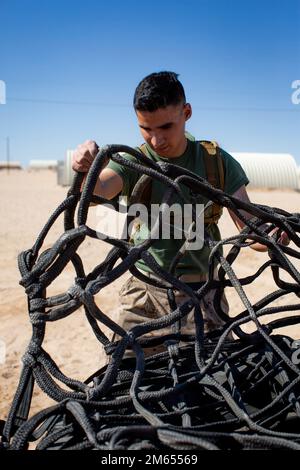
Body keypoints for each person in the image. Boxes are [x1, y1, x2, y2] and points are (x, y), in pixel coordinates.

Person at [72, 71, 289, 355]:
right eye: (145, 129)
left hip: (204, 298)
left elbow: (250, 230)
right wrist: (85, 169)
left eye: (165, 127)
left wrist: (272, 236)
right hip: (144, 296)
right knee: (126, 383)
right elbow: (97, 190)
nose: (155, 140)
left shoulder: (217, 163)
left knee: (211, 387)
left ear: (186, 113)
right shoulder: (134, 163)